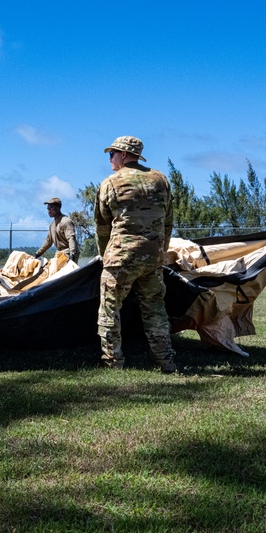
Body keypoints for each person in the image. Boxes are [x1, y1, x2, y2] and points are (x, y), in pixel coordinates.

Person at [94, 136, 177, 372]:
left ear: (123, 154)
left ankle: (113, 362)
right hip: (152, 257)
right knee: (155, 309)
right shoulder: (161, 180)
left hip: (120, 257)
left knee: (110, 309)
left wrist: (104, 256)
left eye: (112, 154)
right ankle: (166, 361)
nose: (110, 158)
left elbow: (102, 226)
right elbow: (168, 221)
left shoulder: (111, 183)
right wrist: (161, 250)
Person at [33, 197, 79, 263]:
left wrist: (72, 253)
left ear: (58, 208)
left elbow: (71, 238)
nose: (49, 211)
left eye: (51, 208)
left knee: (64, 271)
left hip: (68, 251)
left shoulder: (65, 222)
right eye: (48, 209)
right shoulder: (52, 225)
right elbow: (48, 242)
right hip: (59, 252)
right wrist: (37, 254)